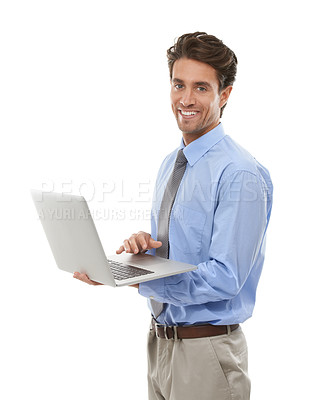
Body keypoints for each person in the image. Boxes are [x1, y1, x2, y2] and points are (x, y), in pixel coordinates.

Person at [74, 32, 273, 400]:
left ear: (224, 94)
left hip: (207, 354)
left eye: (201, 88)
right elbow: (178, 254)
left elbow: (227, 277)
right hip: (161, 345)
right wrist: (139, 256)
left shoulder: (239, 173)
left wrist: (141, 280)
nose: (185, 99)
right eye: (178, 84)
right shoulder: (173, 162)